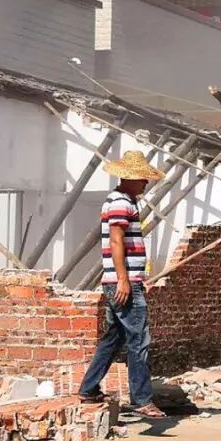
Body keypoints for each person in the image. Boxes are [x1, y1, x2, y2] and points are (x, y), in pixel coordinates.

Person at [78, 150, 167, 419]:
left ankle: (89, 388)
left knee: (113, 338)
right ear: (128, 178)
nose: (145, 183)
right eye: (141, 179)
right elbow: (116, 241)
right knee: (139, 339)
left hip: (122, 280)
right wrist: (125, 279)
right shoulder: (120, 203)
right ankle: (141, 399)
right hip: (122, 282)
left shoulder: (125, 201)